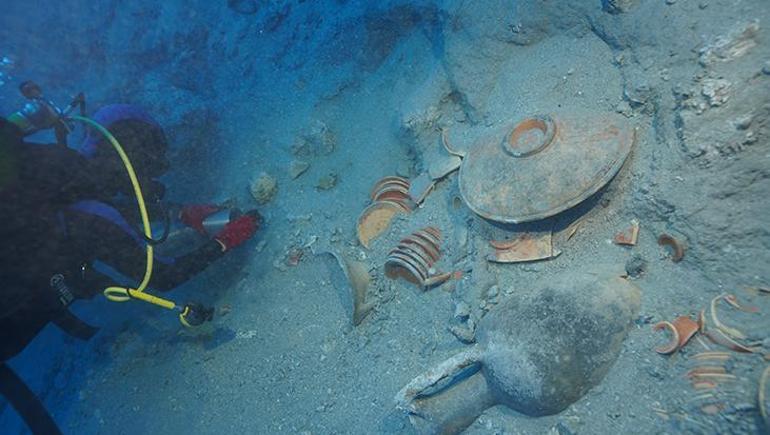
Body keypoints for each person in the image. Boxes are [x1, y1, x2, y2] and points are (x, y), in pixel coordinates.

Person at [0, 100, 261, 434]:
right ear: (128, 157)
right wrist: (226, 240)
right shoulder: (83, 207)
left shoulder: (52, 175)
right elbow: (164, 275)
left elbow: (97, 209)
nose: (153, 175)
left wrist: (181, 213)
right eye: (150, 163)